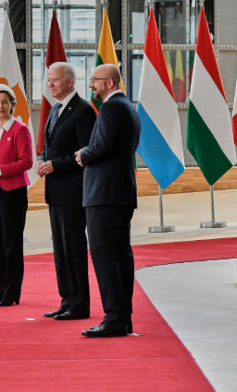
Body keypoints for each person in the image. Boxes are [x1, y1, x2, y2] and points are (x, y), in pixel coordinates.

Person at [75, 64, 140, 337]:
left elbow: (102, 146)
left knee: (104, 253)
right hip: (121, 191)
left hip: (105, 192)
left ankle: (114, 317)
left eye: (95, 80)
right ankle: (123, 316)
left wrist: (82, 155)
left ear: (110, 83)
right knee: (120, 253)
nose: (91, 85)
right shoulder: (128, 107)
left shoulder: (112, 108)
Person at [37, 62, 96, 320]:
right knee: (60, 249)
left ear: (70, 82)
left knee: (73, 248)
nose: (50, 84)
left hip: (73, 191)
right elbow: (52, 145)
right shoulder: (55, 109)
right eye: (49, 79)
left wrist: (54, 165)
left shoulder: (83, 110)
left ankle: (80, 304)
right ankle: (66, 299)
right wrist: (42, 160)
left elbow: (86, 153)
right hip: (56, 191)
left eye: (55, 80)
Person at [0, 84, 33, 307]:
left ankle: (11, 293)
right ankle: (1, 290)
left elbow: (27, 161)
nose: (0, 106)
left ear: (12, 105)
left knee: (12, 243)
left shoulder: (20, 129)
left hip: (12, 191)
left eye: (4, 102)